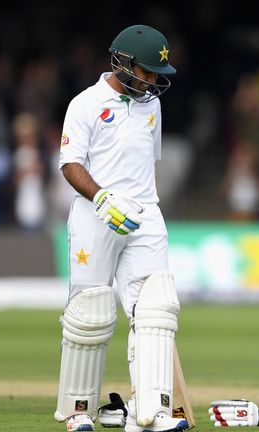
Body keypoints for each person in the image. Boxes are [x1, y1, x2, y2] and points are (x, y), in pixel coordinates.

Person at [53, 24, 187, 432]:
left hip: (145, 214)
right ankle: (78, 411)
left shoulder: (152, 106)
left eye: (156, 74)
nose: (151, 82)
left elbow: (150, 162)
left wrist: (138, 203)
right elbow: (70, 164)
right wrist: (102, 198)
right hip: (96, 214)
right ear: (123, 62)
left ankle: (151, 412)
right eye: (145, 72)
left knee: (156, 308)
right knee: (90, 311)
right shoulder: (86, 103)